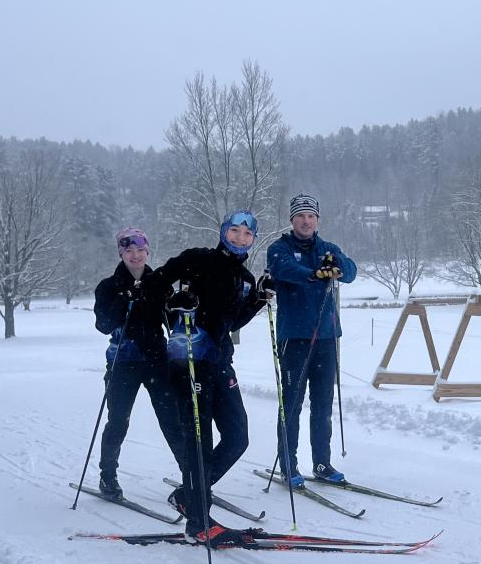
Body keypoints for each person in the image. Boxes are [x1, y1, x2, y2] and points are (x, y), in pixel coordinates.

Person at [148, 210, 272, 542]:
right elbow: (155, 283)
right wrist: (172, 304)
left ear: (253, 240)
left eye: (248, 234)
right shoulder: (196, 260)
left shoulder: (244, 279)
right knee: (198, 443)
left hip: (220, 363)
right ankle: (198, 525)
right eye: (234, 231)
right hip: (187, 360)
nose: (240, 238)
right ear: (223, 232)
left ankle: (190, 496)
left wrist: (258, 299)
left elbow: (232, 323)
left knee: (237, 437)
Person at [265, 193, 357, 486]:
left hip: (327, 338)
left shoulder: (328, 248)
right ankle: (288, 465)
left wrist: (338, 264)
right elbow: (285, 271)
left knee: (322, 404)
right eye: (300, 216)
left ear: (317, 220)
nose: (306, 221)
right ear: (292, 220)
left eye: (311, 216)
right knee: (291, 404)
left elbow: (351, 272)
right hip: (295, 337)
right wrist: (316, 274)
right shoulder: (279, 248)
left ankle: (321, 463)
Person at [91, 227, 189, 500]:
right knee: (118, 421)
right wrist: (124, 300)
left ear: (148, 251)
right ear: (121, 253)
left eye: (141, 250)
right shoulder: (108, 286)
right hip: (123, 362)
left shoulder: (159, 284)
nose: (136, 256)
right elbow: (103, 324)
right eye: (129, 250)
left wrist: (179, 307)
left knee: (172, 420)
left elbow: (173, 324)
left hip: (157, 362)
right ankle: (107, 476)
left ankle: (190, 476)